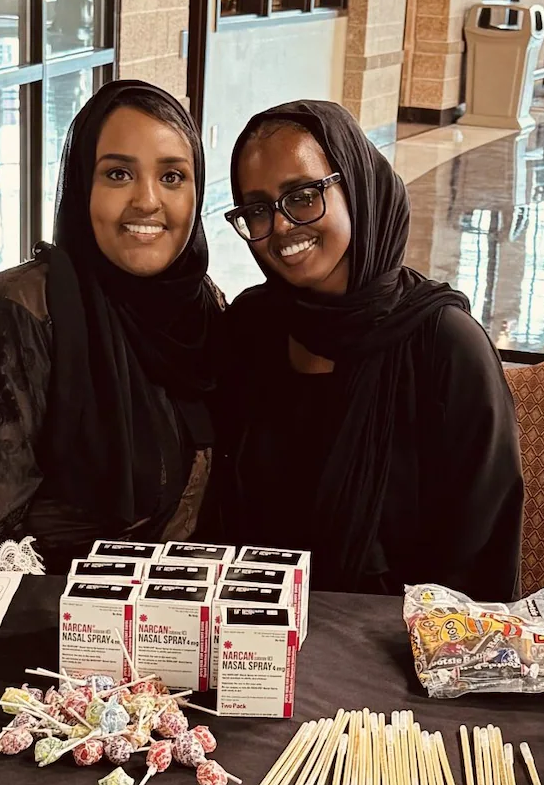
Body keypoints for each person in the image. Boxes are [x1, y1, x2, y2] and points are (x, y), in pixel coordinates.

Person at [0, 80, 219, 567]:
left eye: (173, 177)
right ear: (80, 187)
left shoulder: (202, 310)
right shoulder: (8, 321)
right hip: (24, 615)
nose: (148, 201)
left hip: (164, 615)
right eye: (117, 174)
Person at [207, 99, 523, 597]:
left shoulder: (444, 345)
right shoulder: (252, 327)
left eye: (303, 195)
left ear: (355, 184)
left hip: (405, 650)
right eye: (257, 210)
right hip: (252, 641)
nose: (282, 227)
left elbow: (478, 561)